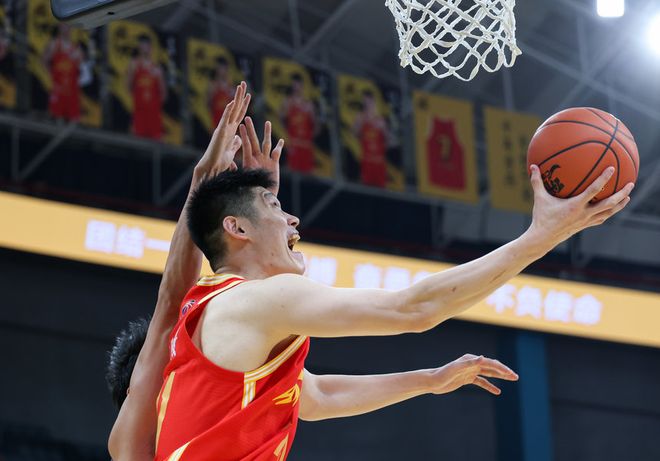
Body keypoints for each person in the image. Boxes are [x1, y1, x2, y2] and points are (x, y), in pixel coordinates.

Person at [152, 115, 634, 458]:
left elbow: (316, 398)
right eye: (277, 208)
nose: (293, 218)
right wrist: (540, 238)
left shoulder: (216, 307)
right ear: (237, 229)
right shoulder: (260, 300)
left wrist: (429, 380)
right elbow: (414, 309)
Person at [107, 84, 519, 461]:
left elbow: (317, 394)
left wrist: (429, 380)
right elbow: (171, 306)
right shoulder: (139, 424)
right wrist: (210, 187)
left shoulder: (223, 339)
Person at [107, 82, 252, 461]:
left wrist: (259, 215)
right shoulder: (132, 445)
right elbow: (172, 304)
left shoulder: (209, 425)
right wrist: (203, 183)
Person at [126, 34, 166, 140]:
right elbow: (128, 85)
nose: (144, 48)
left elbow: (163, 93)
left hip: (154, 115)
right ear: (139, 47)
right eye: (142, 45)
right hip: (139, 113)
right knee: (137, 141)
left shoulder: (157, 69)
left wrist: (155, 104)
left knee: (156, 142)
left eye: (146, 45)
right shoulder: (134, 64)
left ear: (150, 48)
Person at [43, 23, 83, 122]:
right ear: (59, 27)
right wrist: (52, 74)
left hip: (71, 89)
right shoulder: (54, 44)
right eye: (63, 26)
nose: (66, 29)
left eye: (68, 26)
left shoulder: (76, 49)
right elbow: (44, 61)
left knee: (73, 119)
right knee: (56, 117)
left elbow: (81, 68)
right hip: (59, 88)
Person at [352, 89, 390, 187]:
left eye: (369, 102)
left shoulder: (381, 120)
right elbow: (355, 134)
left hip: (379, 162)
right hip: (367, 161)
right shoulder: (360, 117)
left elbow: (389, 141)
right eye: (365, 102)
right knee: (366, 187)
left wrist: (384, 130)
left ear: (373, 101)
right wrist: (358, 124)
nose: (367, 104)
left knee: (381, 189)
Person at [279, 73, 316, 173]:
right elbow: (281, 120)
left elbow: (315, 125)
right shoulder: (288, 102)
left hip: (306, 145)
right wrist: (286, 138)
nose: (296, 87)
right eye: (294, 85)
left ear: (302, 86)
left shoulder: (309, 105)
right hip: (294, 143)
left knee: (307, 173)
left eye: (298, 84)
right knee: (292, 172)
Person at [207, 56, 234, 129]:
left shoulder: (230, 84)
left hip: (228, 120)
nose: (220, 70)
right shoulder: (213, 84)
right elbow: (208, 103)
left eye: (223, 68)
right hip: (217, 119)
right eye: (219, 68)